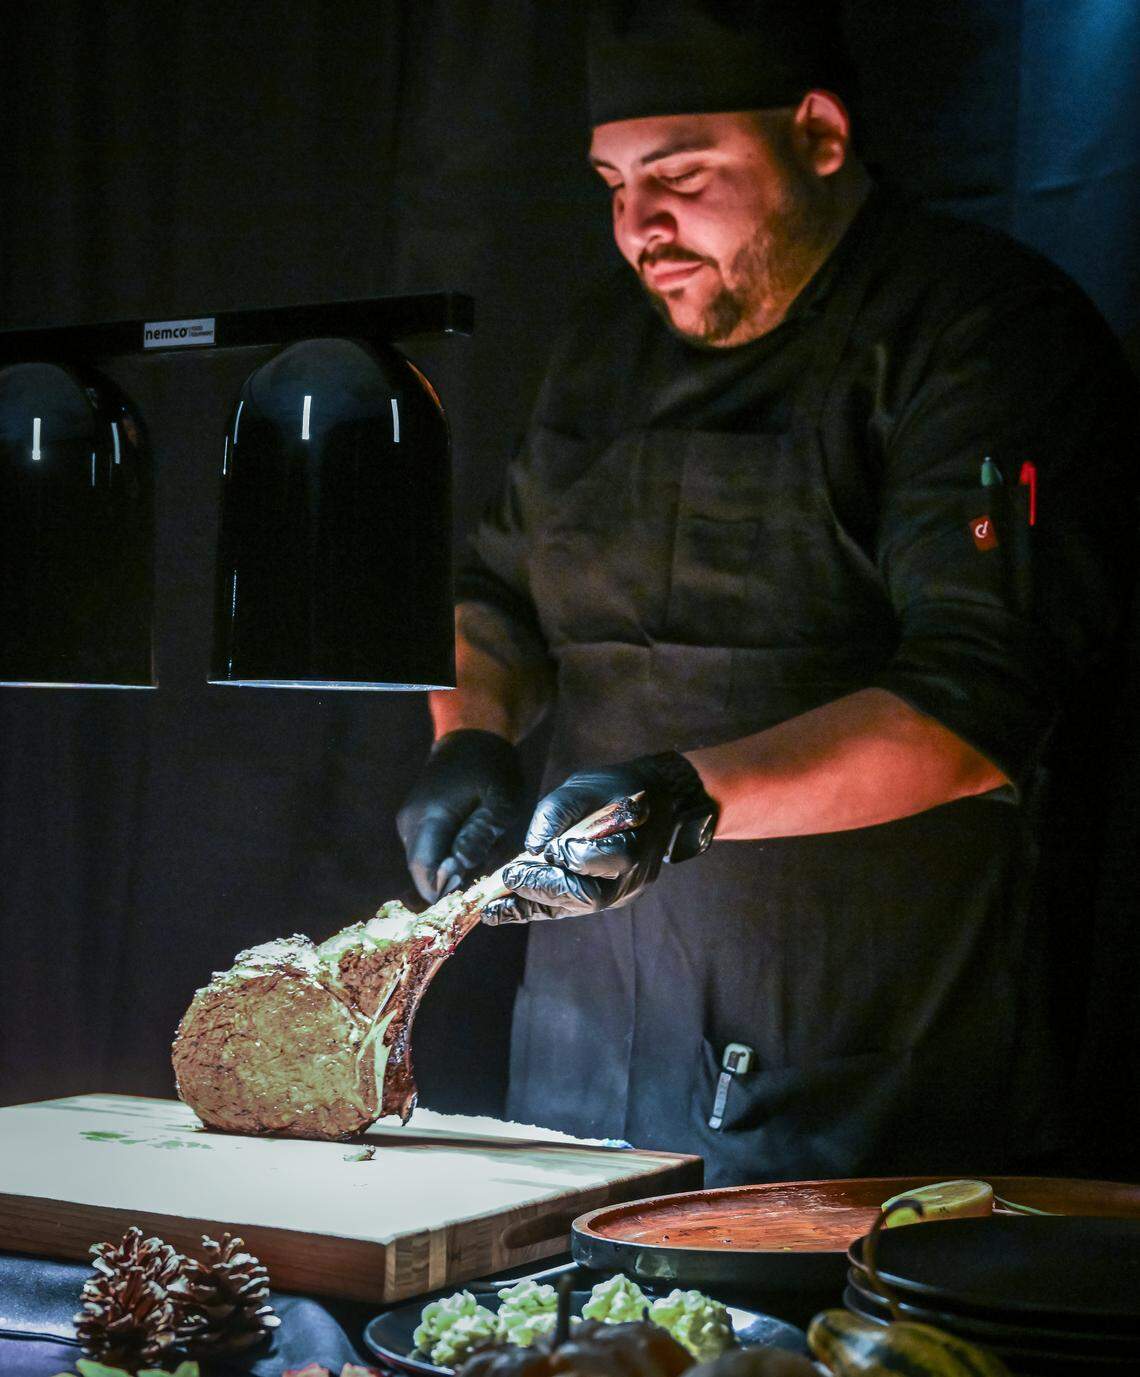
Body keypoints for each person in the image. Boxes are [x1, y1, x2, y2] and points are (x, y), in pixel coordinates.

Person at [397, 1, 1137, 1186]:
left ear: (821, 137)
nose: (642, 226)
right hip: (578, 1070)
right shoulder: (601, 345)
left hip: (862, 1076)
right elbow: (496, 592)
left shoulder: (980, 333)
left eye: (682, 174)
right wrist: (469, 734)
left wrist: (683, 798)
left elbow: (978, 704)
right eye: (613, 184)